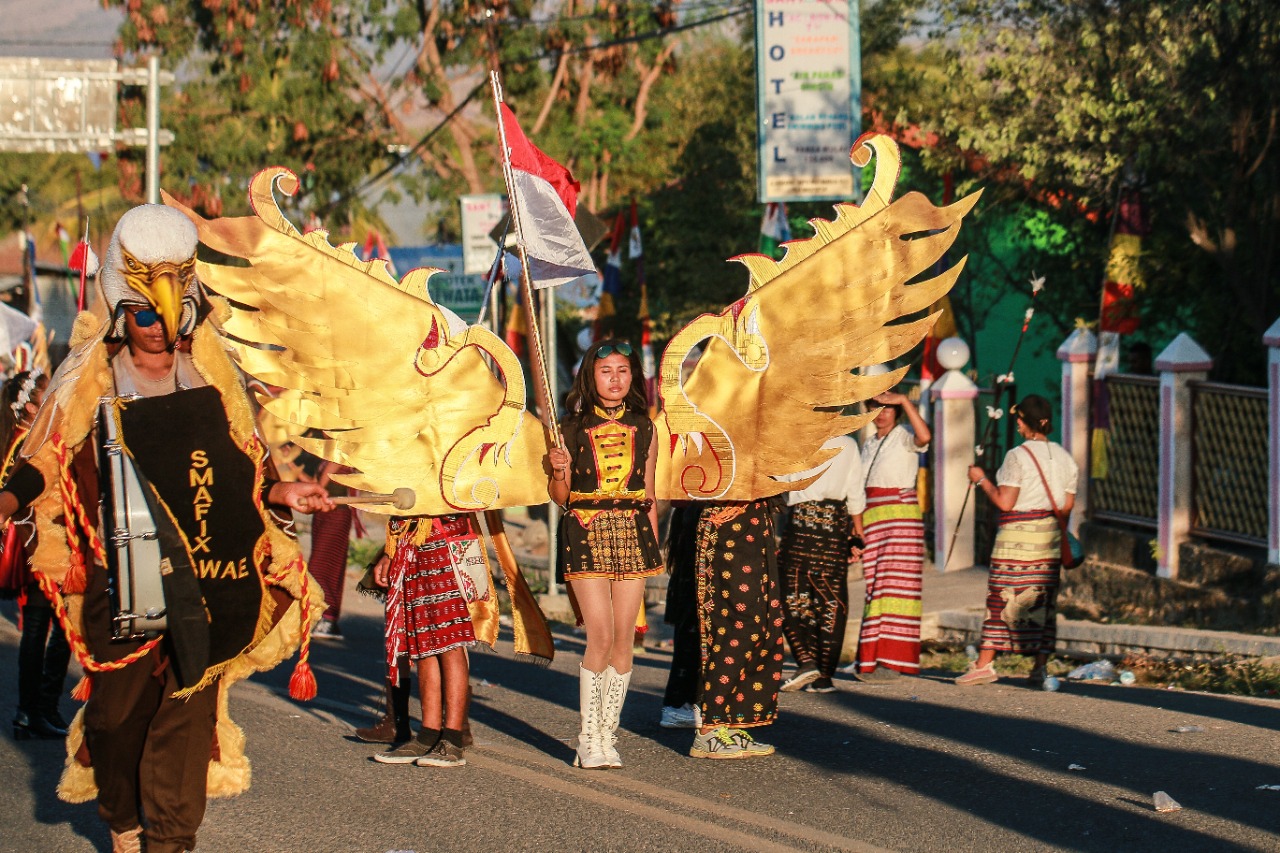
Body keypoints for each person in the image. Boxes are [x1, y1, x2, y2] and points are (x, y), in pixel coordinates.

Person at [0, 205, 334, 853]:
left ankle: (170, 839)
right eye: (146, 312)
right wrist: (11, 496)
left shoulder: (212, 378)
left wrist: (280, 491)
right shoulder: (90, 381)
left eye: (171, 311)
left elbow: (245, 466)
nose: (159, 325)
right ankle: (122, 818)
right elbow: (46, 456)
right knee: (115, 722)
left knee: (186, 714)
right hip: (118, 581)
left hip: (205, 581)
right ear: (125, 309)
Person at [547, 339, 663, 770]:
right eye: (605, 371)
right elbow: (561, 498)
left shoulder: (645, 425)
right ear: (590, 377)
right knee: (600, 635)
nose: (615, 379)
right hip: (586, 529)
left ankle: (607, 735)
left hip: (633, 532)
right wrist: (558, 469)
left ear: (633, 376)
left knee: (624, 640)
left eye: (623, 371)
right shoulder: (569, 428)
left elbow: (649, 492)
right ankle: (587, 738)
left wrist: (653, 546)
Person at [959, 394, 1079, 686]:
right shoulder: (1065, 458)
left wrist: (980, 479)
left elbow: (1005, 502)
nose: (1017, 424)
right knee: (1042, 599)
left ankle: (985, 663)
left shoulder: (1017, 456)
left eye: (1019, 418)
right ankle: (1039, 667)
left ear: (1024, 422)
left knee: (1002, 596)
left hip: (1016, 539)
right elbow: (1066, 505)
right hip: (1048, 538)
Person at [369, 513, 487, 768]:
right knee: (422, 643)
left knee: (450, 641)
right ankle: (428, 733)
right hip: (412, 545)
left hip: (448, 542)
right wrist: (390, 551)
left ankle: (453, 737)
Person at [688, 495, 788, 759]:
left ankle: (731, 722)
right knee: (733, 625)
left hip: (756, 519)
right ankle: (710, 728)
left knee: (766, 623)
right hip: (726, 522)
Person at [2, 371, 72, 740]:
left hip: (41, 542)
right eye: (48, 395)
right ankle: (39, 708)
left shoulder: (27, 438)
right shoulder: (33, 442)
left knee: (41, 629)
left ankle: (31, 711)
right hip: (44, 544)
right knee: (55, 628)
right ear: (31, 405)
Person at [850, 390, 931, 681]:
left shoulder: (904, 435)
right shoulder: (868, 444)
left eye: (887, 408)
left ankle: (892, 659)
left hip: (900, 517)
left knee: (897, 588)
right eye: (876, 407)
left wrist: (906, 402)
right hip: (873, 516)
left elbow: (925, 437)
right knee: (875, 586)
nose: (882, 413)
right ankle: (869, 657)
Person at [778, 435, 865, 694]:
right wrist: (857, 535)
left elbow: (780, 485)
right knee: (831, 597)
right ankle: (824, 676)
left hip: (802, 521)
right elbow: (855, 490)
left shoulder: (795, 439)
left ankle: (806, 661)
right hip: (835, 524)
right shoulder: (849, 444)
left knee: (791, 593)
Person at [658, 502, 702, 728]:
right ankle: (677, 704)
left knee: (693, 627)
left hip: (692, 512)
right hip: (695, 514)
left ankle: (686, 701)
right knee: (692, 628)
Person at [306, 458, 355, 639]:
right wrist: (289, 465)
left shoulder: (339, 450)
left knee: (323, 565)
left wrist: (317, 489)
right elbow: (312, 486)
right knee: (320, 563)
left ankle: (326, 618)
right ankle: (319, 616)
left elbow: (319, 486)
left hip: (337, 514)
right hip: (322, 513)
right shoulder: (324, 457)